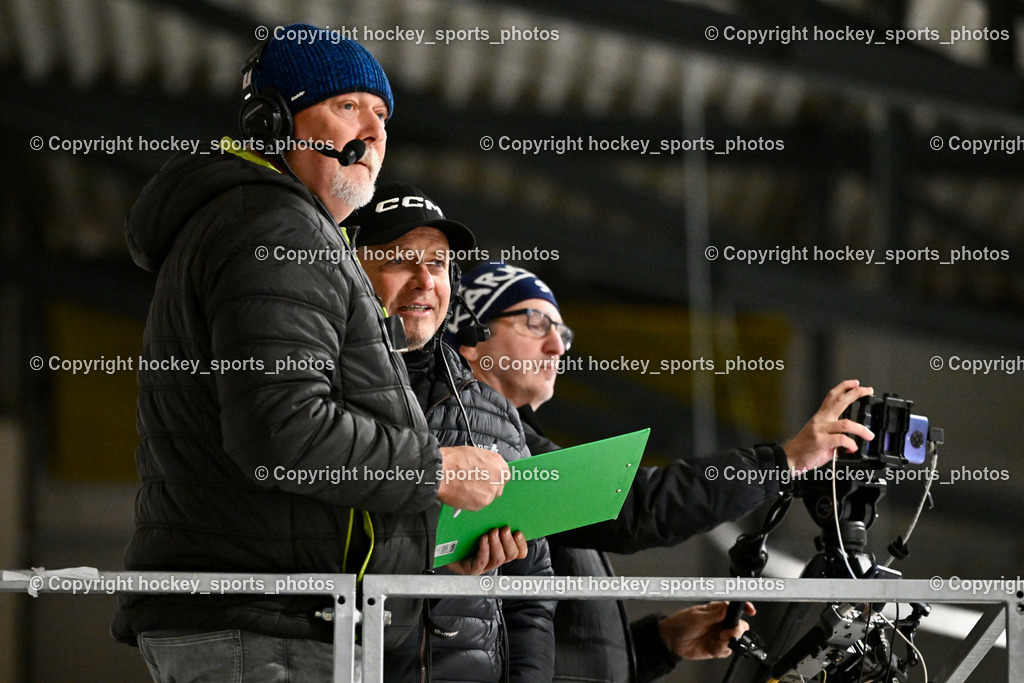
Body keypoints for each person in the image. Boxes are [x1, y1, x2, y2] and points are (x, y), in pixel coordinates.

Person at [113, 26, 509, 681]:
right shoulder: (273, 227)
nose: (375, 132)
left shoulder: (268, 224)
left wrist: (426, 556)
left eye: (382, 114)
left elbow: (311, 490)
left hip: (273, 623)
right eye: (348, 106)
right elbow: (281, 429)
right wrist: (434, 467)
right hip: (264, 630)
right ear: (273, 122)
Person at [447, 261, 875, 683]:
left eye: (563, 332)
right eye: (537, 323)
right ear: (471, 336)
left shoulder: (521, 451)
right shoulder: (483, 450)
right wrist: (783, 462)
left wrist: (661, 643)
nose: (557, 347)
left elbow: (564, 654)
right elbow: (637, 507)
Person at [347, 182, 557, 682]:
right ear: (352, 272)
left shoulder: (494, 412)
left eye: (438, 265)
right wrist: (436, 565)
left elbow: (532, 595)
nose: (424, 282)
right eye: (401, 260)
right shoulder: (314, 398)